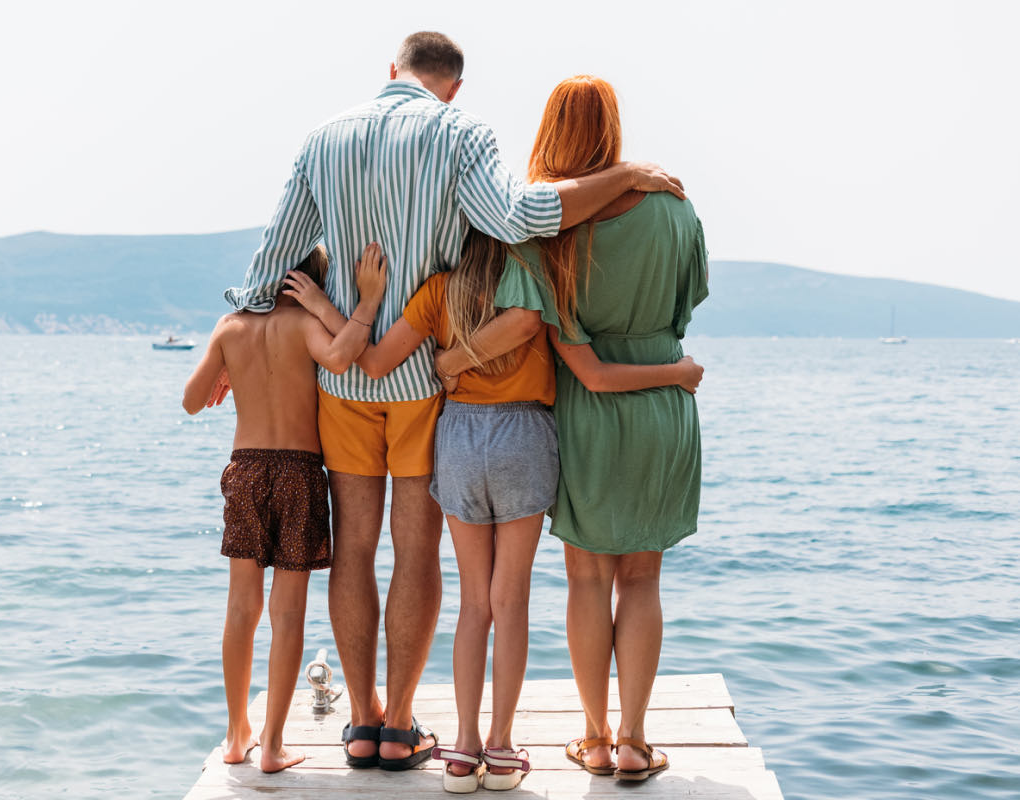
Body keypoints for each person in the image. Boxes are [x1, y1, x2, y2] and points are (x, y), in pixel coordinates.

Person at [223, 30, 685, 771]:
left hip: (348, 378)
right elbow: (521, 220)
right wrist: (628, 173)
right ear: (453, 86)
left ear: (392, 71)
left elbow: (273, 259)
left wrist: (237, 346)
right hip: (427, 383)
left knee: (352, 552)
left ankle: (364, 720)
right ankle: (403, 722)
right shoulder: (461, 132)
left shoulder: (323, 138)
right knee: (416, 552)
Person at [289, 236, 700, 791]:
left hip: (459, 435)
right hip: (525, 435)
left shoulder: (439, 290)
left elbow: (374, 361)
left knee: (473, 604)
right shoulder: (534, 287)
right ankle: (503, 749)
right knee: (512, 601)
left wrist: (324, 306)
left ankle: (464, 750)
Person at [434, 75, 709, 783]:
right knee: (643, 578)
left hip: (587, 409)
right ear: (614, 128)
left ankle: (592, 737)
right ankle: (635, 743)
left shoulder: (547, 224)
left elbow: (529, 323)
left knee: (586, 578)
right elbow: (689, 299)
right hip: (663, 397)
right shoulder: (675, 208)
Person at [183, 245, 387, 773]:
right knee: (287, 612)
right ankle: (272, 745)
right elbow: (342, 357)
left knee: (240, 608)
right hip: (298, 471)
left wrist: (226, 368)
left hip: (247, 469)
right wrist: (363, 305)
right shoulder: (303, 324)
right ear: (312, 280)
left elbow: (190, 399)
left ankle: (235, 736)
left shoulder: (230, 328)